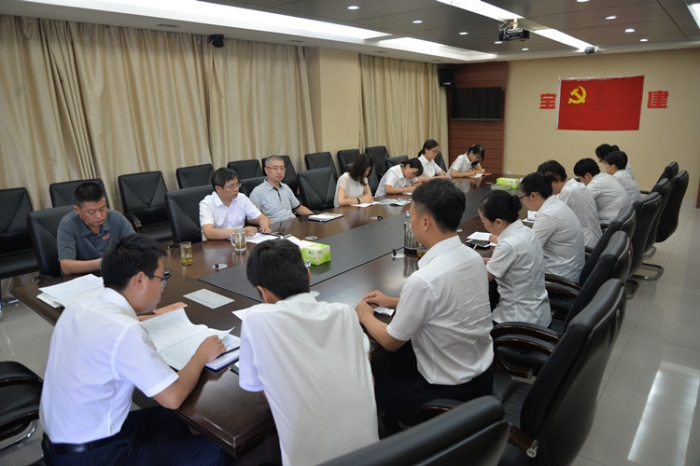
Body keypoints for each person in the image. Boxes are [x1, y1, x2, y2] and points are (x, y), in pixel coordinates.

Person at [40, 234, 225, 466]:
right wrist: (201, 354)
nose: (162, 288)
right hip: (96, 457)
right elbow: (173, 397)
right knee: (213, 450)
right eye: (161, 279)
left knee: (170, 421)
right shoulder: (125, 330)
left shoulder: (78, 307)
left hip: (61, 444)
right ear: (139, 280)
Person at [356, 179, 494, 427]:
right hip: (482, 379)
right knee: (403, 356)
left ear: (426, 222)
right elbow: (446, 301)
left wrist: (364, 315)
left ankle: (401, 429)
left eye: (411, 216)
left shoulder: (424, 280)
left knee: (368, 381)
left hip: (444, 395)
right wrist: (394, 301)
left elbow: (389, 341)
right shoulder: (472, 257)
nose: (410, 222)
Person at [238, 240, 378, 465]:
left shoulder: (256, 320)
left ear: (263, 293)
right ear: (308, 275)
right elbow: (365, 367)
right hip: (375, 457)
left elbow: (257, 386)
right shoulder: (344, 313)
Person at [478, 190, 551, 326]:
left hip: (518, 322)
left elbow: (482, 278)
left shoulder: (507, 245)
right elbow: (516, 262)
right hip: (540, 314)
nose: (484, 225)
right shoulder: (528, 232)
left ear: (498, 222)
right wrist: (484, 260)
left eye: (483, 221)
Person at [519, 173, 585, 283]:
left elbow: (527, 251)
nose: (523, 202)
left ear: (533, 196)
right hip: (569, 269)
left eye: (522, 198)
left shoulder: (548, 215)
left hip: (559, 278)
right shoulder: (557, 205)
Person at [57, 182, 134, 275]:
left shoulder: (116, 217)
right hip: (82, 277)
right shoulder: (68, 225)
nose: (99, 216)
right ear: (77, 210)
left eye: (102, 209)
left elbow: (136, 248)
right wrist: (104, 262)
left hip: (114, 273)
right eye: (91, 212)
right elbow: (66, 267)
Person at [537, 160, 602, 249]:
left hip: (586, 243)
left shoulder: (568, 191)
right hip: (593, 238)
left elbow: (554, 217)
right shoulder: (577, 185)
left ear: (555, 180)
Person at [199, 167, 271, 240]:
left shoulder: (242, 198)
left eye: (237, 184)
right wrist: (240, 231)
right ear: (218, 189)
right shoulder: (207, 204)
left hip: (239, 242)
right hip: (215, 244)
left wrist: (264, 226)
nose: (236, 189)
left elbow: (262, 218)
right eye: (231, 186)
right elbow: (209, 233)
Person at [250, 155, 313, 223]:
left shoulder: (285, 187)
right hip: (274, 225)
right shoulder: (258, 192)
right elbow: (251, 218)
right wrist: (267, 223)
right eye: (275, 168)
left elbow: (298, 208)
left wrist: (314, 216)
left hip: (292, 223)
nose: (279, 172)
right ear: (266, 170)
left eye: (282, 168)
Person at [573, 158, 631, 222]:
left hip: (612, 221)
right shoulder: (607, 177)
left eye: (580, 177)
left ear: (587, 175)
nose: (581, 181)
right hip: (625, 217)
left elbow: (579, 202)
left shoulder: (595, 184)